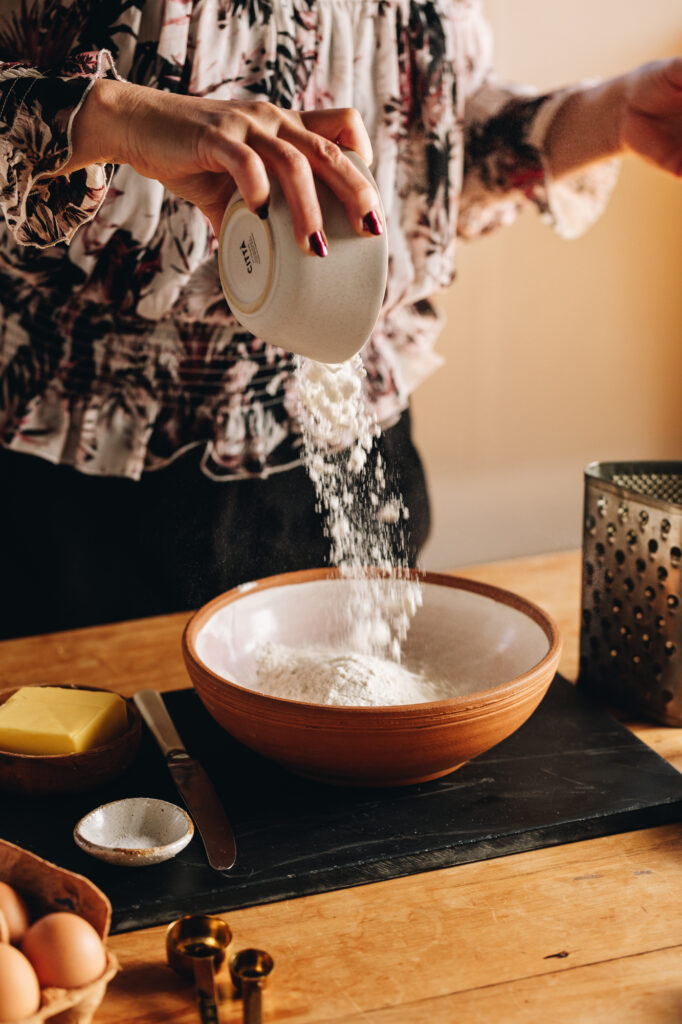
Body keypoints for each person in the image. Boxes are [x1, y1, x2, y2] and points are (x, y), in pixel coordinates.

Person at [0, 0, 680, 639]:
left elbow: (425, 151)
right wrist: (109, 115)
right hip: (77, 470)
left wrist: (611, 114)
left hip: (351, 442)